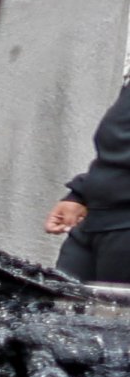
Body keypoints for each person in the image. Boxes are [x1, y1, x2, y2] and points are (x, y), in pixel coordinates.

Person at [45, 72, 130, 283]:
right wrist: (79, 194)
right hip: (94, 225)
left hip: (123, 226)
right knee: (59, 310)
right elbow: (116, 146)